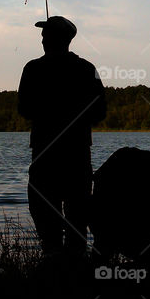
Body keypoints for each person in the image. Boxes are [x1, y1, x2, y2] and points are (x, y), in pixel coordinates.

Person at [18, 16, 106, 257]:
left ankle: (55, 269)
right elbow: (100, 112)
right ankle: (75, 272)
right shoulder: (87, 69)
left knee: (46, 218)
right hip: (77, 156)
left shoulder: (33, 68)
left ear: (58, 38)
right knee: (77, 220)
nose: (43, 39)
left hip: (45, 155)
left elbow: (24, 109)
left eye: (46, 35)